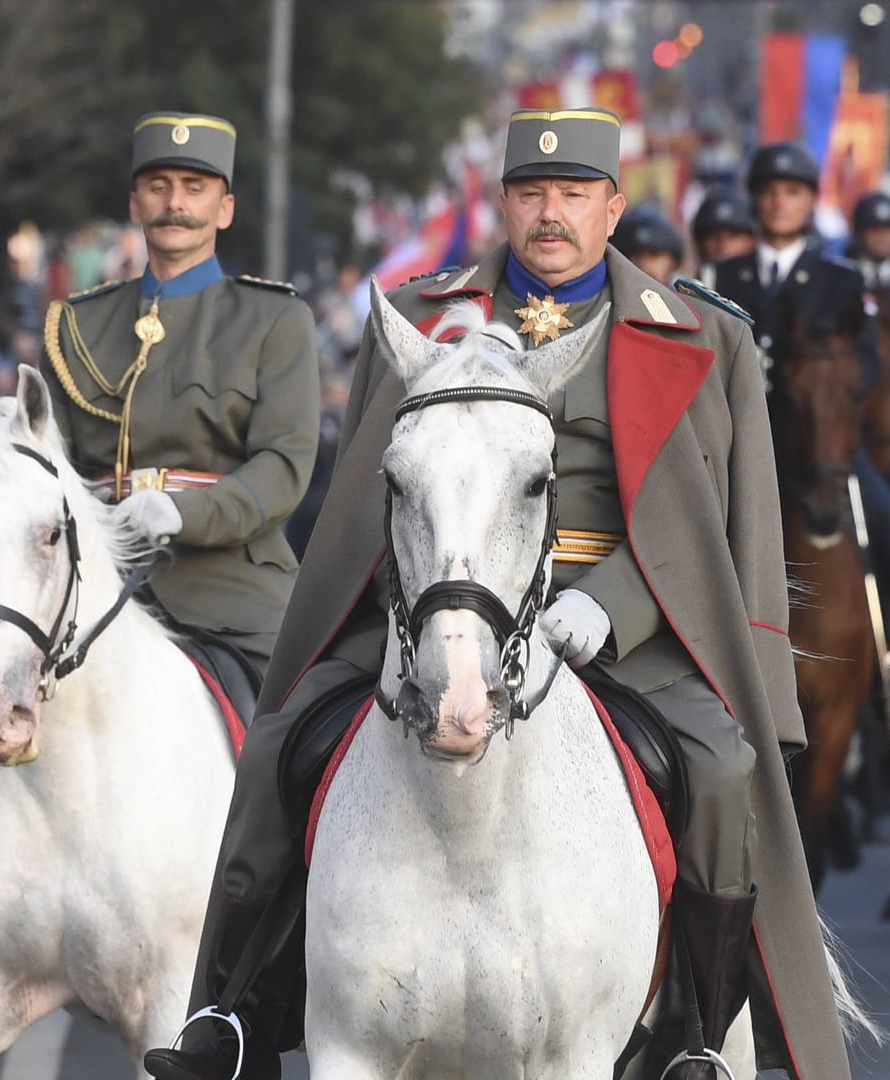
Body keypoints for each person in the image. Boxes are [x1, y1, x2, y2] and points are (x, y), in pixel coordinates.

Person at [142, 107, 853, 1080]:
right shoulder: (418, 321)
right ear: (505, 203)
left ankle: (700, 1027)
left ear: (613, 208)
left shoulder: (704, 336)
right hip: (437, 597)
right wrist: (415, 595)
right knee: (278, 743)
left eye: (572, 195)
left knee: (723, 777)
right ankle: (232, 1008)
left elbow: (720, 529)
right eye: (530, 193)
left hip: (628, 624)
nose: (549, 214)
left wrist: (611, 603)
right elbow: (372, 498)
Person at [0, 109, 320, 1027]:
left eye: (194, 190)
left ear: (225, 207)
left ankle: (285, 965)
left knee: (296, 745)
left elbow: (285, 468)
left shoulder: (273, 321)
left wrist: (183, 510)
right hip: (87, 598)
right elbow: (40, 463)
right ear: (134, 201)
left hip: (229, 591)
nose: (174, 204)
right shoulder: (78, 325)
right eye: (158, 187)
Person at [710, 142, 890, 709]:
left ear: (810, 202)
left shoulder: (840, 279)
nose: (780, 204)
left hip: (824, 449)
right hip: (740, 449)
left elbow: (868, 362)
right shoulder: (722, 276)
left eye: (792, 193)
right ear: (755, 201)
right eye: (769, 193)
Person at [689, 185, 756, 280]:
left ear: (752, 241)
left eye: (733, 236)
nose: (722, 246)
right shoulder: (684, 290)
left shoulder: (769, 287)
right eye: (713, 236)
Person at [613, 203, 687, 283]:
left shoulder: (683, 294)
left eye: (654, 255)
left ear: (673, 262)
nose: (645, 265)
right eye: (637, 256)